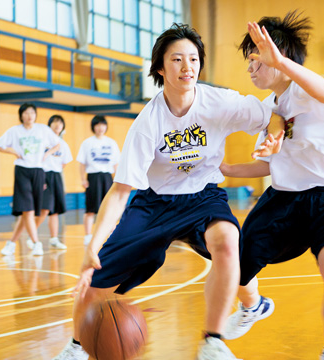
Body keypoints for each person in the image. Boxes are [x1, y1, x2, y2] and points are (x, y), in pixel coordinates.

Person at [52, 23, 283, 360]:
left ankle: (214, 340)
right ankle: (75, 347)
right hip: (154, 203)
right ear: (160, 68)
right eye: (176, 59)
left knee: (228, 243)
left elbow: (272, 116)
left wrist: (274, 137)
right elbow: (119, 191)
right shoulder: (148, 123)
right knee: (93, 282)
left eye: (193, 58)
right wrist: (93, 246)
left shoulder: (219, 102)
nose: (187, 67)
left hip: (203, 195)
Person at [219, 13, 324, 360]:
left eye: (255, 60)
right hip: (283, 200)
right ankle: (254, 306)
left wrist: (282, 62)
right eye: (249, 64)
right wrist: (223, 167)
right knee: (235, 268)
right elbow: (268, 165)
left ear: (277, 55)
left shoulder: (309, 90)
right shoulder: (270, 108)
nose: (250, 69)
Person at [0, 103, 60, 256]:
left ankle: (11, 243)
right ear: (21, 115)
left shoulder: (43, 129)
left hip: (38, 171)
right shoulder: (15, 131)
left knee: (29, 213)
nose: (30, 115)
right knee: (27, 210)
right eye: (26, 113)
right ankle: (36, 243)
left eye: (32, 112)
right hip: (22, 170)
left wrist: (46, 154)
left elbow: (57, 144)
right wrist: (12, 151)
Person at [18, 115, 73, 251]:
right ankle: (32, 237)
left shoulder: (63, 144)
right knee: (44, 209)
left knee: (54, 211)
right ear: (49, 125)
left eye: (60, 123)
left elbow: (65, 162)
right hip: (43, 175)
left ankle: (54, 238)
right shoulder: (41, 141)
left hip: (56, 176)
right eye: (54, 123)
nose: (57, 125)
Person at [75, 115, 120, 246]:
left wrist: (117, 180)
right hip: (93, 177)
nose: (100, 128)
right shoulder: (87, 143)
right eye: (97, 125)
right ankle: (88, 235)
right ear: (93, 127)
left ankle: (112, 233)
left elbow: (116, 164)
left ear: (106, 126)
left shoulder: (111, 143)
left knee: (109, 208)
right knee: (90, 209)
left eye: (103, 125)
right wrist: (83, 179)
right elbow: (82, 164)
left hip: (107, 177)